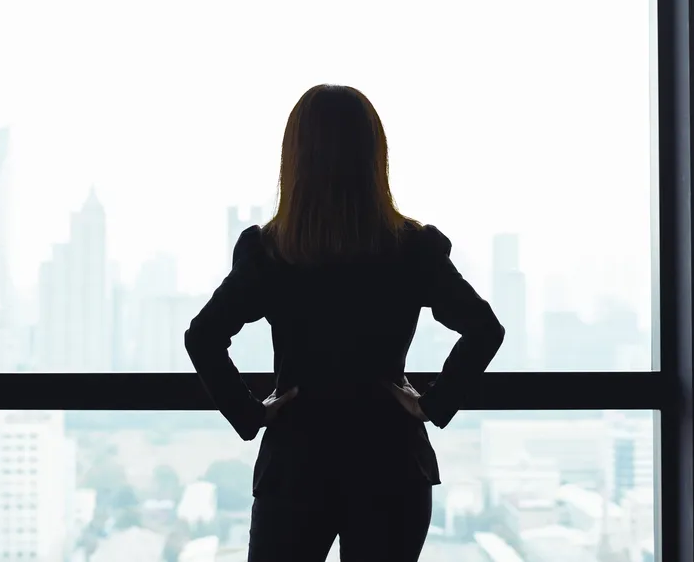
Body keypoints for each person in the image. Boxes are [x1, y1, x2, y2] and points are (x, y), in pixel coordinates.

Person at [184, 84, 505, 562]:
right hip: (391, 463)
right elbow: (485, 329)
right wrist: (433, 402)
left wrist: (251, 413)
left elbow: (203, 337)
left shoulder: (271, 252)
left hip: (296, 464)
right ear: (375, 157)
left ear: (295, 159)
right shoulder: (413, 249)